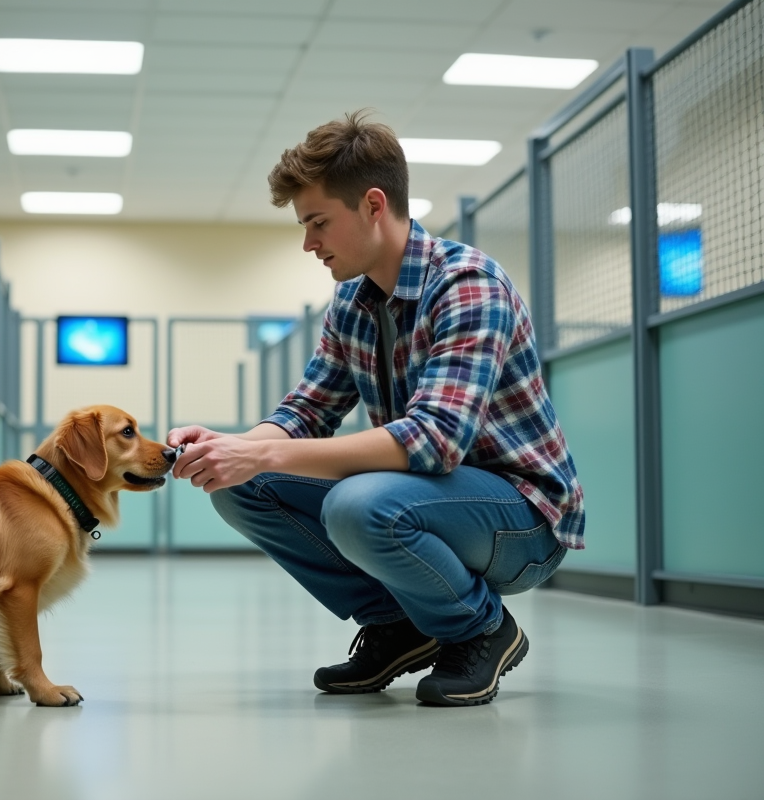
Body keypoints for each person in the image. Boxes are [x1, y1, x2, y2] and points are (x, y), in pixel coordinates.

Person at [167, 110, 584, 707]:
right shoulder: (351, 303)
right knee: (240, 486)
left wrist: (260, 451)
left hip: (522, 518)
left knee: (358, 503)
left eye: (317, 222)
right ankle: (401, 624)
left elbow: (434, 442)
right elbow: (307, 410)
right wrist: (232, 448)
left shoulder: (468, 284)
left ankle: (483, 629)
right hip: (430, 500)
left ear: (372, 205)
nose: (308, 243)